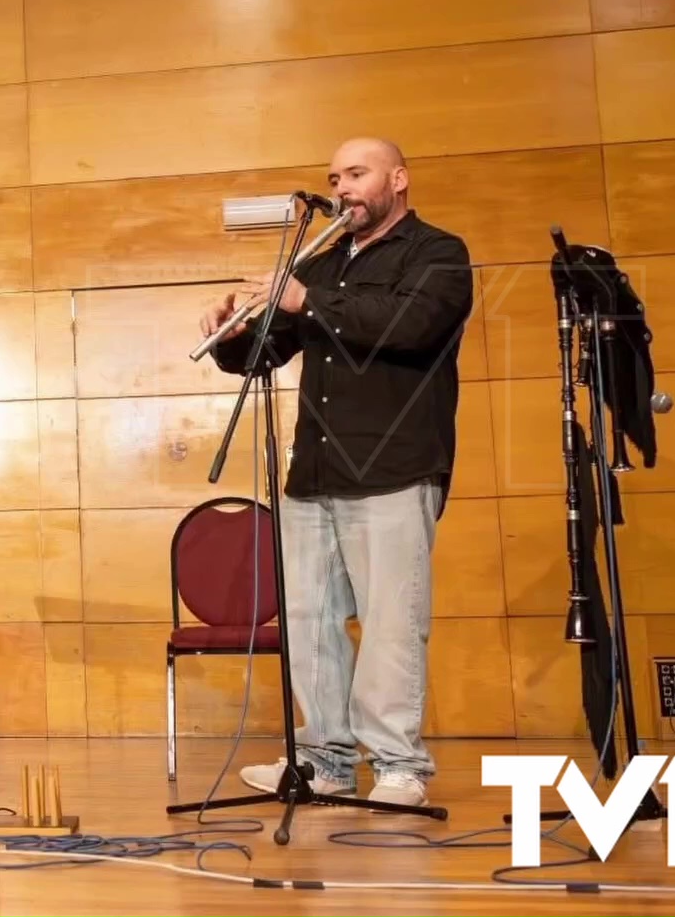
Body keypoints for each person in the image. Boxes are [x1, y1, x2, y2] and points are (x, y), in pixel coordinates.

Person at [198, 137, 473, 808]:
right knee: (309, 619)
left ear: (398, 179)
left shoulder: (438, 253)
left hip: (394, 466)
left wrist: (305, 301)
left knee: (391, 622)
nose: (342, 188)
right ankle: (326, 761)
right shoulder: (320, 264)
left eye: (356, 173)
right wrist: (233, 336)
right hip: (315, 472)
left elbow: (409, 326)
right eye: (334, 178)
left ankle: (399, 766)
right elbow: (268, 354)